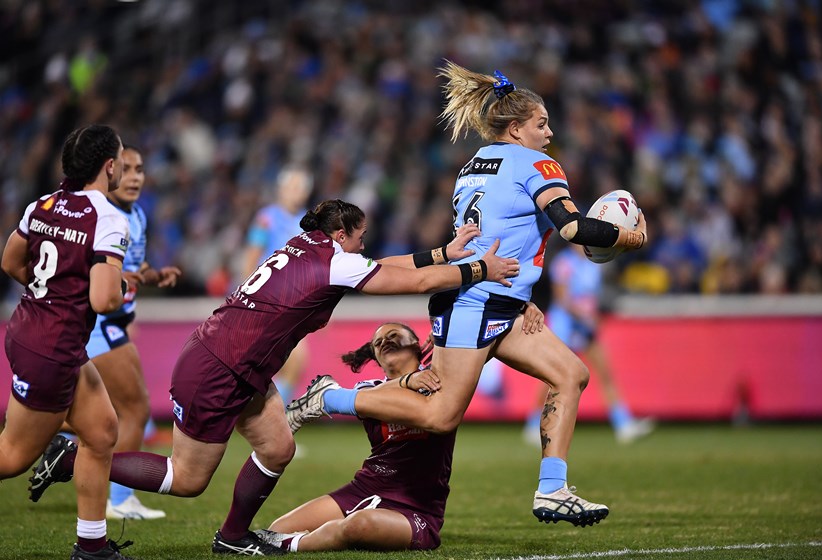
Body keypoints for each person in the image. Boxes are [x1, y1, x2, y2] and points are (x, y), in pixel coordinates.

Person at [28, 199, 519, 556]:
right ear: (342, 235)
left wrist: (443, 253)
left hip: (228, 358)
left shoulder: (305, 246)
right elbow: (410, 281)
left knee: (278, 447)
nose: (364, 245)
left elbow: (379, 266)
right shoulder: (335, 260)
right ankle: (71, 457)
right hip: (222, 368)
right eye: (360, 236)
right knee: (187, 478)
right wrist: (480, 269)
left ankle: (232, 538)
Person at [286, 61, 648, 528]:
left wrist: (523, 295)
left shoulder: (473, 165)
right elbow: (574, 228)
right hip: (475, 302)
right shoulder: (538, 164)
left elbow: (496, 233)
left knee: (571, 374)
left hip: (494, 298)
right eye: (541, 124)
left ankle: (552, 490)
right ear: (516, 128)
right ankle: (331, 398)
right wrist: (631, 238)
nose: (549, 133)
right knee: (440, 415)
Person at [258, 307, 544, 553]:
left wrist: (520, 307)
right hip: (364, 489)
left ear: (418, 344)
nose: (385, 341)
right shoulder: (367, 391)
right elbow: (383, 399)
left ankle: (294, 546)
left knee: (359, 525)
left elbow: (486, 342)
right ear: (376, 358)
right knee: (277, 527)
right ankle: (314, 535)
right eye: (378, 342)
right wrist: (407, 381)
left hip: (417, 508)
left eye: (394, 334)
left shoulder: (444, 383)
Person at [1, 124, 136, 560]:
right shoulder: (109, 219)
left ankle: (91, 546)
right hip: (53, 348)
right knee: (11, 457)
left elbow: (10, 261)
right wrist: (120, 287)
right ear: (109, 166)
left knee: (101, 430)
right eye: (121, 160)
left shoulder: (42, 204)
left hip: (31, 330)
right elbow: (103, 299)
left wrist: (52, 293)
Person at [83, 145, 182, 520]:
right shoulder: (99, 215)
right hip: (100, 325)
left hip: (115, 323)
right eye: (126, 169)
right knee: (135, 410)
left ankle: (57, 443)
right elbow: (88, 269)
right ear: (110, 172)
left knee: (96, 413)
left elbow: (134, 268)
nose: (135, 177)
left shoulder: (136, 215)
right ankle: (120, 499)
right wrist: (114, 277)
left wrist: (154, 276)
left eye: (140, 169)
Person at [524, 243, 654, 446]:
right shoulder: (563, 263)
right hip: (565, 326)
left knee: (605, 372)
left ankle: (623, 424)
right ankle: (533, 424)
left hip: (585, 328)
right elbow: (562, 298)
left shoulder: (593, 264)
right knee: (550, 377)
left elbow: (592, 297)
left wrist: (593, 316)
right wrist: (584, 316)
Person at [241, 167, 313, 408]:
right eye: (291, 186)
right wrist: (247, 294)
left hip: (292, 302)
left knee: (292, 363)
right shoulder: (266, 218)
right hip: (267, 298)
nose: (295, 192)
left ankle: (270, 416)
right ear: (280, 189)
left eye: (299, 187)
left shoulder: (308, 224)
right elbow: (252, 256)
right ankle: (272, 417)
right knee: (294, 358)